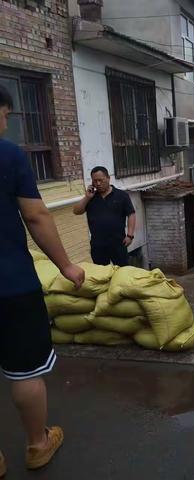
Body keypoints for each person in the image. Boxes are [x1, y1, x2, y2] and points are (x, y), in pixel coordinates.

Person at [0, 85, 84, 475]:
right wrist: (66, 266)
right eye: (5, 117)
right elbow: (36, 216)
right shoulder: (8, 154)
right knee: (25, 370)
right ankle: (37, 444)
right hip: (10, 283)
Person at [73, 167, 136, 266]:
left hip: (118, 242)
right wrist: (87, 197)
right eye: (95, 181)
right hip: (98, 244)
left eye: (100, 180)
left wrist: (130, 235)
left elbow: (131, 214)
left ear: (108, 178)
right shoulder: (91, 197)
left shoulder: (122, 195)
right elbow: (76, 211)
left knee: (123, 271)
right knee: (101, 274)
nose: (98, 184)